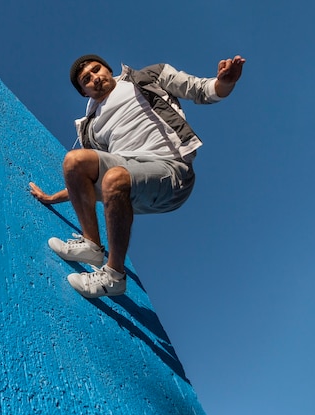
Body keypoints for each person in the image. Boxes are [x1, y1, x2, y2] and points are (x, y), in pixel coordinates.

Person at [29, 54, 245, 298]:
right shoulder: (90, 127)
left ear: (108, 69)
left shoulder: (146, 78)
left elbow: (201, 89)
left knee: (114, 177)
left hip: (171, 170)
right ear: (84, 92)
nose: (94, 78)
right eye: (86, 80)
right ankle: (91, 244)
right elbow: (87, 185)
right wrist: (50, 198)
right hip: (127, 172)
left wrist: (225, 82)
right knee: (75, 161)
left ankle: (114, 276)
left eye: (96, 70)